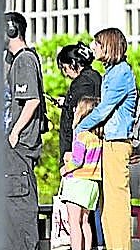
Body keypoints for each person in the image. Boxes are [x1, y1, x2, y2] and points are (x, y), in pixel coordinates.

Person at [74, 27, 136, 250]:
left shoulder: (121, 73)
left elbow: (103, 110)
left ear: (109, 46)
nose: (93, 47)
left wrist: (80, 128)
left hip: (117, 143)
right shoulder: (112, 73)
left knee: (116, 204)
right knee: (106, 205)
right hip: (110, 142)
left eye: (97, 44)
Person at [3, 11, 44, 250]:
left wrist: (14, 133)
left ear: (11, 30)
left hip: (20, 147)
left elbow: (32, 100)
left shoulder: (24, 60)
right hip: (17, 147)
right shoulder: (19, 59)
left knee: (19, 211)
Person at [61, 96, 104, 250]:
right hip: (92, 185)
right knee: (85, 222)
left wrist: (66, 167)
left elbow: (77, 161)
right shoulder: (98, 139)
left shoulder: (81, 136)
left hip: (77, 183)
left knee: (74, 222)